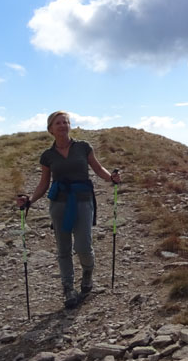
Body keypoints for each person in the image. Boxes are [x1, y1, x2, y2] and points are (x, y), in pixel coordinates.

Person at [16, 111, 121, 309]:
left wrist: (111, 178)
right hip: (59, 204)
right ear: (51, 129)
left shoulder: (83, 147)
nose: (63, 125)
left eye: (65, 122)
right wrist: (29, 200)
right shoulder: (47, 156)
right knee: (63, 249)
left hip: (83, 201)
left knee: (83, 246)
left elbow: (98, 169)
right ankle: (68, 289)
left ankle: (88, 273)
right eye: (58, 123)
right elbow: (44, 184)